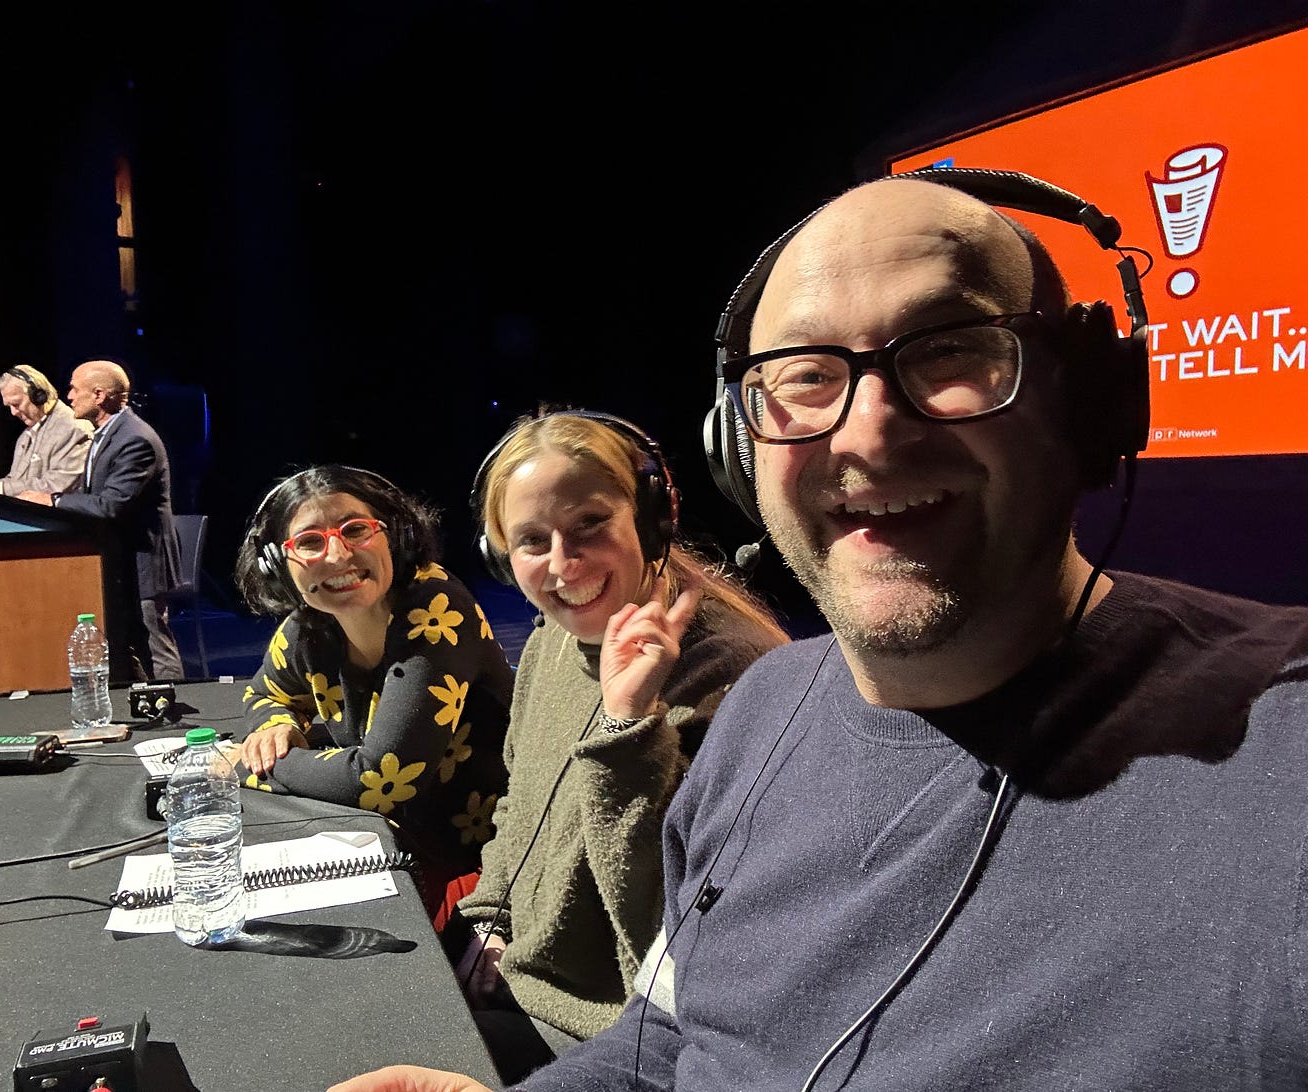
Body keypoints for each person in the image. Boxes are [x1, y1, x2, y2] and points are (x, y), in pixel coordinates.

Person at [326, 172, 1308, 1092]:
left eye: (947, 348)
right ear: (736, 448)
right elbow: (668, 1037)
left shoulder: (1281, 754)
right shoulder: (765, 714)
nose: (868, 434)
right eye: (803, 376)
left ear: (1088, 399)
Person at [448, 409, 789, 1083]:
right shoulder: (553, 640)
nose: (562, 564)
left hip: (617, 1036)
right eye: (530, 542)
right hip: (524, 983)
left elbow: (668, 945)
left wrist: (626, 725)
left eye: (590, 525)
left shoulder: (733, 675)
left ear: (653, 518)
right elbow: (523, 802)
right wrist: (491, 919)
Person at [232, 464, 514, 931]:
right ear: (277, 562)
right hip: (399, 840)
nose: (337, 555)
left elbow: (382, 778)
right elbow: (263, 692)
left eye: (355, 529)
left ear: (394, 536)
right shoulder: (310, 623)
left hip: (479, 866)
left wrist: (244, 767)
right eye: (309, 542)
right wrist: (276, 725)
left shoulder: (436, 607)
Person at [17, 359, 184, 682]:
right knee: (133, 641)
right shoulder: (105, 434)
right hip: (119, 560)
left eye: (74, 389)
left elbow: (111, 504)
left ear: (99, 395)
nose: (68, 396)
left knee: (153, 643)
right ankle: (150, 703)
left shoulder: (135, 439)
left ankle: (175, 702)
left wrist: (52, 500)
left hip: (143, 561)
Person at [0, 366, 93, 496]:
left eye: (16, 404)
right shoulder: (26, 435)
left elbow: (56, 485)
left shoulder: (75, 428)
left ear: (38, 395)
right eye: (9, 406)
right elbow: (16, 481)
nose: (13, 413)